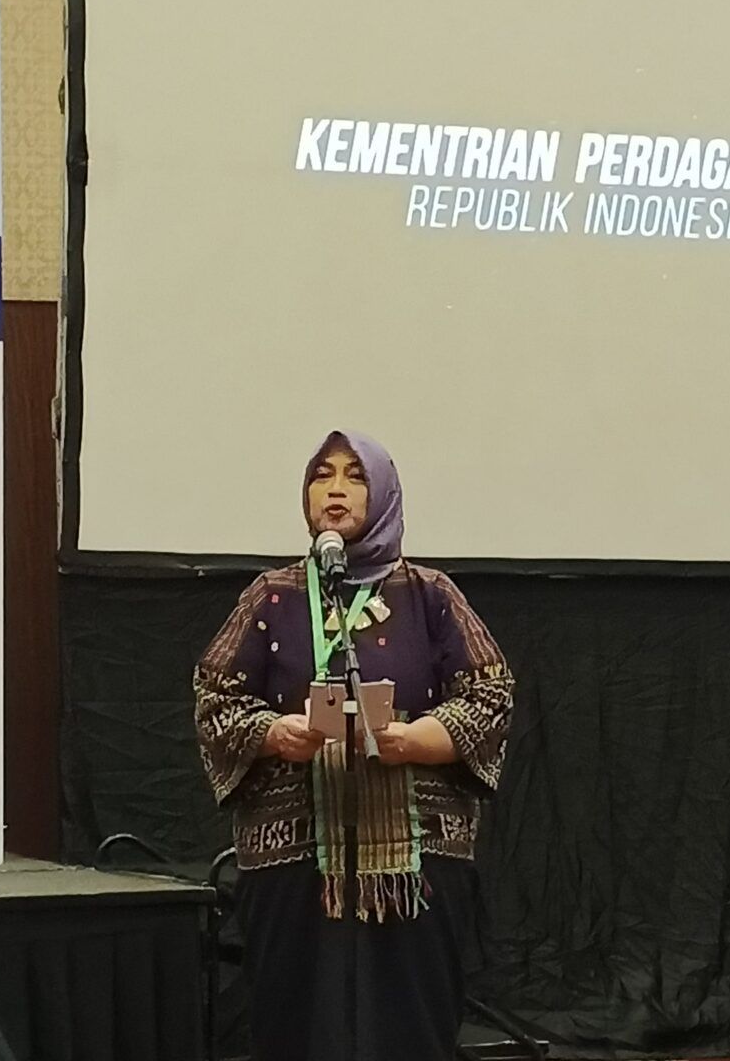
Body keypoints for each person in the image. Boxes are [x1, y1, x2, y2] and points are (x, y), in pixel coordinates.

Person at [194, 430, 514, 1061]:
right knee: (296, 1023)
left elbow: (491, 694)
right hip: (292, 864)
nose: (335, 490)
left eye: (354, 476)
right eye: (322, 475)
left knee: (407, 1026)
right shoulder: (273, 595)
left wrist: (418, 740)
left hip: (415, 864)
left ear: (384, 494)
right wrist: (273, 733)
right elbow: (215, 696)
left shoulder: (430, 594)